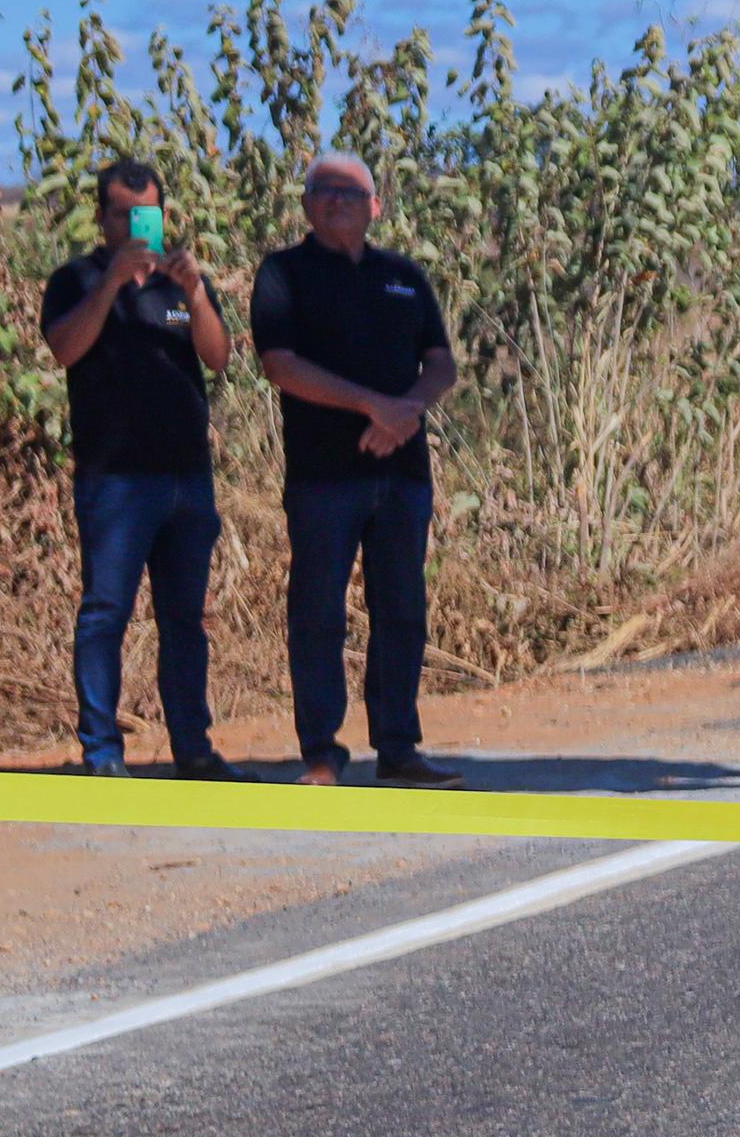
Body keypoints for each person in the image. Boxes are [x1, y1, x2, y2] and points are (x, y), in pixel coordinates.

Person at [250, 152, 462, 787]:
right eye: (324, 190)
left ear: (376, 206)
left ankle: (398, 749)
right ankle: (321, 754)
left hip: (403, 477)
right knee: (319, 613)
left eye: (352, 192)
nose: (337, 200)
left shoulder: (403, 276)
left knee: (401, 609)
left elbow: (442, 363)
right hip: (323, 477)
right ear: (306, 205)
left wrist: (408, 411)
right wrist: (373, 404)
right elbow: (279, 364)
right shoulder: (283, 274)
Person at [39, 156, 238, 777]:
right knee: (106, 613)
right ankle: (102, 753)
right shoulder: (76, 279)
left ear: (163, 214)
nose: (134, 227)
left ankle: (194, 751)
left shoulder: (178, 288)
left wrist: (198, 294)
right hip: (116, 479)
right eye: (122, 215)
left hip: (186, 477)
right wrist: (111, 285)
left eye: (145, 214)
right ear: (101, 217)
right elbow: (65, 347)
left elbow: (219, 357)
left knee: (185, 619)